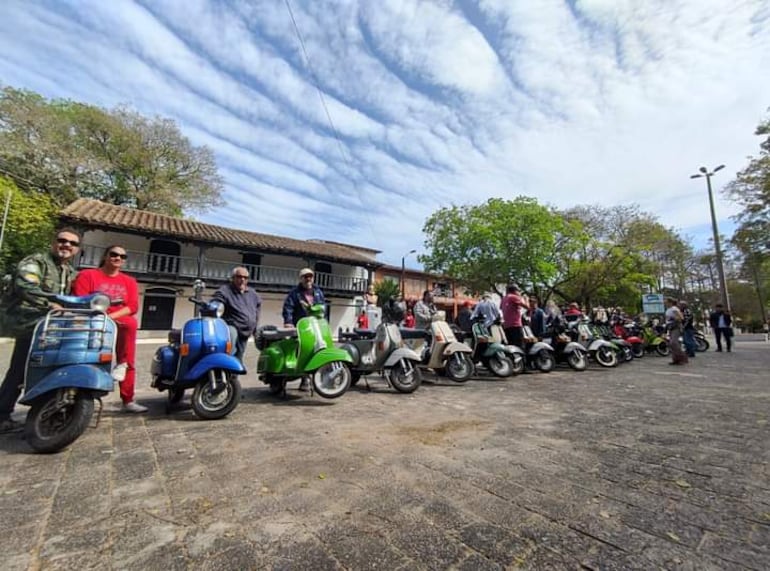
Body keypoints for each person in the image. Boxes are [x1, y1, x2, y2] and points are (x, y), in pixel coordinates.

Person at [0, 228, 82, 432]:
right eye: (62, 240)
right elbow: (26, 287)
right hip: (30, 323)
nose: (67, 245)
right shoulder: (36, 262)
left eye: (72, 243)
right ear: (54, 242)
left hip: (53, 325)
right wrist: (50, 304)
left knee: (53, 365)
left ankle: (46, 409)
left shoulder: (70, 271)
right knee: (21, 369)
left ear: (77, 249)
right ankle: (2, 414)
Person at [72, 244, 147, 413]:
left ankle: (128, 399)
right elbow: (81, 300)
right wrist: (100, 317)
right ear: (105, 256)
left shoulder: (129, 281)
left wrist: (110, 318)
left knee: (128, 355)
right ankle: (79, 398)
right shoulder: (88, 275)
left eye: (122, 256)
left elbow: (133, 306)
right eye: (114, 254)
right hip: (92, 319)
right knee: (88, 357)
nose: (118, 258)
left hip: (118, 320)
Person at [282, 268, 326, 391]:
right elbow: (288, 308)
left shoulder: (318, 292)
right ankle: (302, 377)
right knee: (300, 351)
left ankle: (313, 378)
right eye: (305, 276)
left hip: (315, 326)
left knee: (316, 351)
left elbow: (323, 307)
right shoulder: (294, 293)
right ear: (301, 278)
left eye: (310, 276)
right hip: (300, 327)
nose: (308, 279)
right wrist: (288, 322)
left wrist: (323, 321)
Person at [212, 267, 262, 363]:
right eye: (239, 277)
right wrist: (215, 305)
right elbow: (217, 301)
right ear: (233, 278)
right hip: (232, 326)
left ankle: (233, 377)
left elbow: (257, 309)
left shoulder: (253, 293)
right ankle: (223, 372)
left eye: (245, 277)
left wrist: (256, 329)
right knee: (230, 350)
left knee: (239, 355)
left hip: (246, 330)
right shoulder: (225, 291)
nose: (242, 279)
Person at [665, 297, 688, 365]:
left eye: (666, 301)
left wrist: (673, 318)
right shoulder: (668, 309)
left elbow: (681, 317)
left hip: (676, 327)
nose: (665, 302)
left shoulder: (674, 309)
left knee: (674, 342)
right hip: (670, 327)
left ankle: (682, 358)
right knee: (671, 344)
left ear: (670, 302)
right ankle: (675, 359)